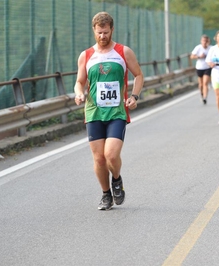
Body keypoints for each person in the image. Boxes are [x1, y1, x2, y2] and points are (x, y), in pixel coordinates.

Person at [74, 12, 143, 210]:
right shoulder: (86, 55)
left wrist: (134, 96)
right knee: (99, 158)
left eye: (106, 32)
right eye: (99, 33)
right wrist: (79, 93)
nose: (102, 36)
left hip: (116, 112)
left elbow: (138, 75)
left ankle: (117, 179)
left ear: (111, 29)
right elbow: (79, 82)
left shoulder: (123, 52)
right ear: (94, 31)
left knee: (111, 155)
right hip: (94, 112)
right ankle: (106, 194)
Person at [190, 34, 212, 104]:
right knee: (201, 84)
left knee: (205, 83)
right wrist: (199, 56)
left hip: (207, 67)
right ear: (201, 41)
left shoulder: (211, 48)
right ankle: (202, 94)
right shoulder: (198, 48)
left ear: (208, 41)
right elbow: (192, 56)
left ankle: (205, 97)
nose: (204, 42)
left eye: (206, 41)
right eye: (203, 41)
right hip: (199, 67)